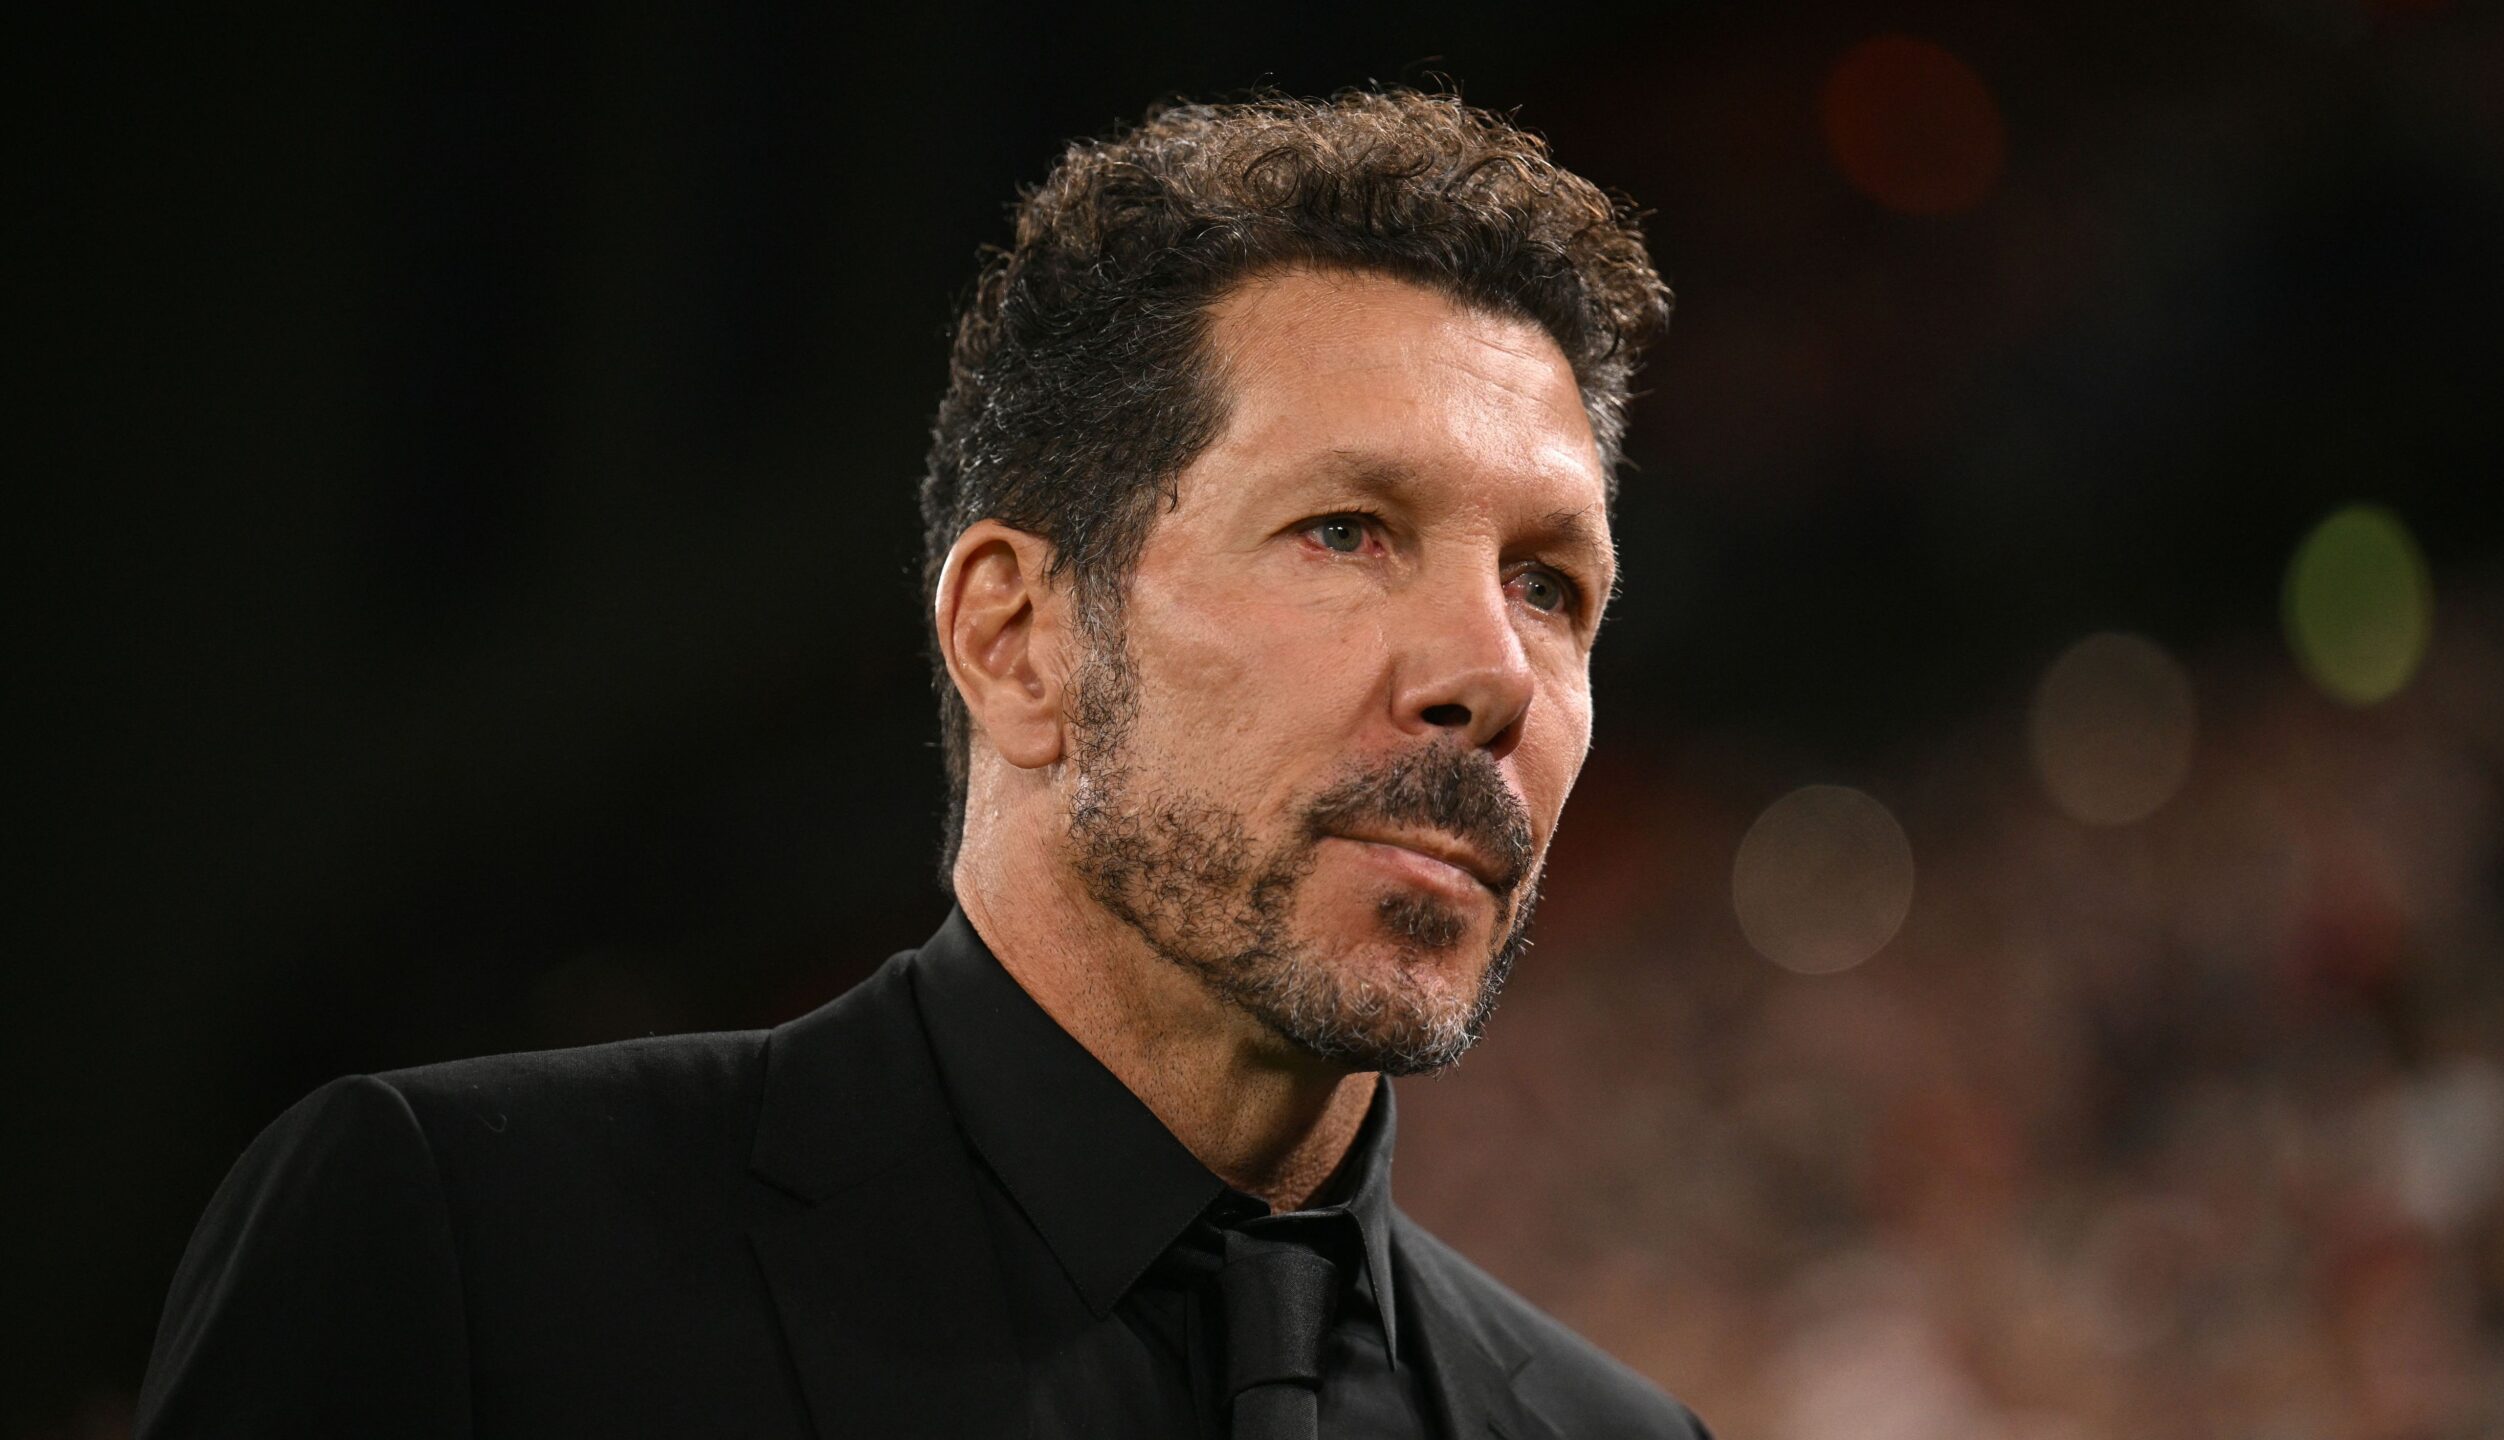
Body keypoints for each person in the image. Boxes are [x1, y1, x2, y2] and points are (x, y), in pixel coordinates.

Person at [137, 88, 1696, 1439]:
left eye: (1549, 585)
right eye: (1347, 532)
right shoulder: (475, 1251)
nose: (1493, 673)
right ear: (1017, 642)